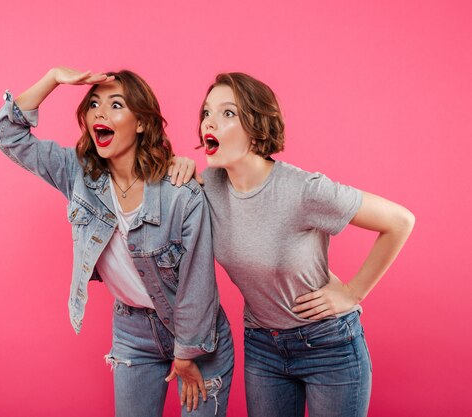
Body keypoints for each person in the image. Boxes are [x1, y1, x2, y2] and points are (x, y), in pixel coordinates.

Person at [0, 67, 234, 417]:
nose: (100, 112)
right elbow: (4, 133)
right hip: (133, 333)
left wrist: (186, 353)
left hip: (197, 335)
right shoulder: (77, 174)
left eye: (116, 105)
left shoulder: (180, 193)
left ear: (141, 123)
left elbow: (199, 284)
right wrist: (54, 78)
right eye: (94, 104)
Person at [171, 72, 415, 417]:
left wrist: (354, 292)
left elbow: (400, 221)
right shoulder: (210, 185)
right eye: (207, 113)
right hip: (263, 347)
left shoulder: (303, 190)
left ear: (256, 127)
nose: (209, 122)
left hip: (329, 345)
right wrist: (177, 164)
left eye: (228, 113)